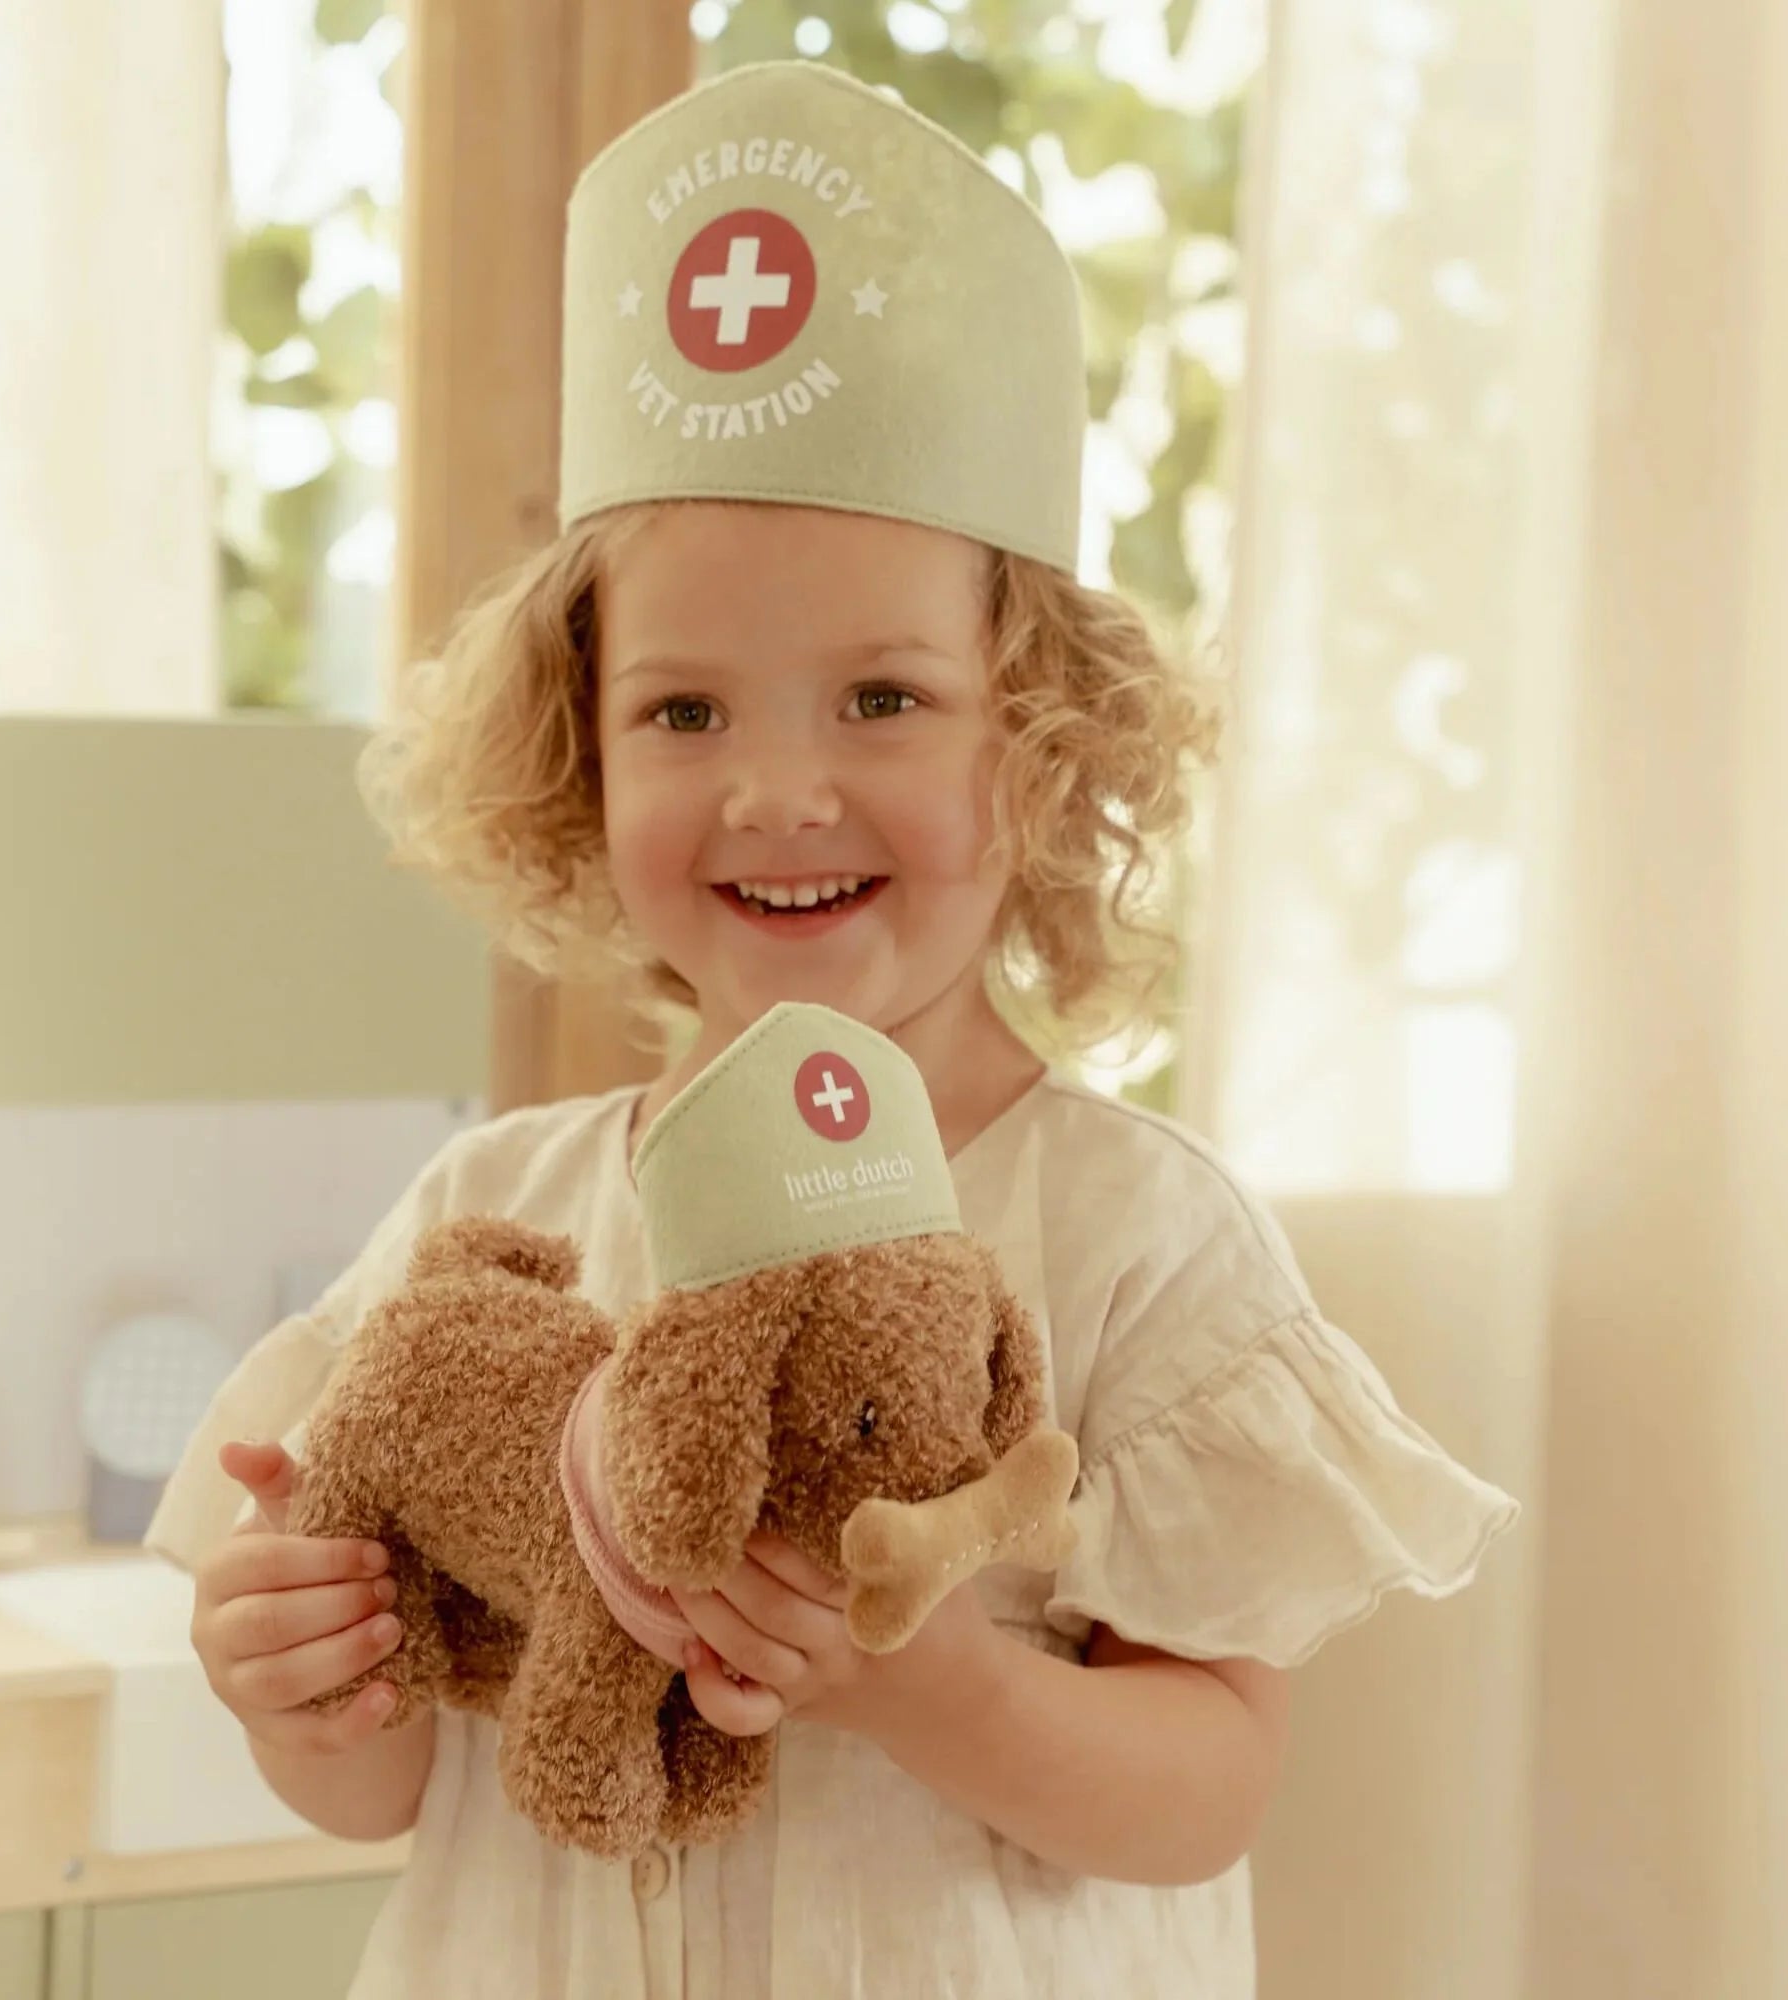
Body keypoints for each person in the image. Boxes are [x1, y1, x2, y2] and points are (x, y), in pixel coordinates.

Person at [153, 58, 1519, 1999]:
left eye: (882, 699)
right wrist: (301, 1680)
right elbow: (384, 1785)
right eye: (684, 712)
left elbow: (1206, 1785)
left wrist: (929, 1685)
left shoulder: (1135, 1238)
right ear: (578, 753)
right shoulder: (491, 1215)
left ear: (1038, 744)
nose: (778, 791)